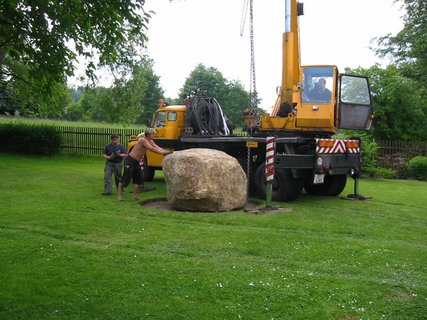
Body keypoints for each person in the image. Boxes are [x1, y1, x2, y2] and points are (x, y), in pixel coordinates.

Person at [118, 128, 172, 202]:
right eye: (153, 134)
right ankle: (119, 197)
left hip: (136, 161)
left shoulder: (151, 141)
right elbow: (152, 149)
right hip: (130, 160)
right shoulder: (143, 140)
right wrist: (163, 153)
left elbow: (157, 147)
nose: (154, 135)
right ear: (148, 135)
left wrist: (166, 152)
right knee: (126, 178)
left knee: (138, 178)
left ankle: (134, 196)